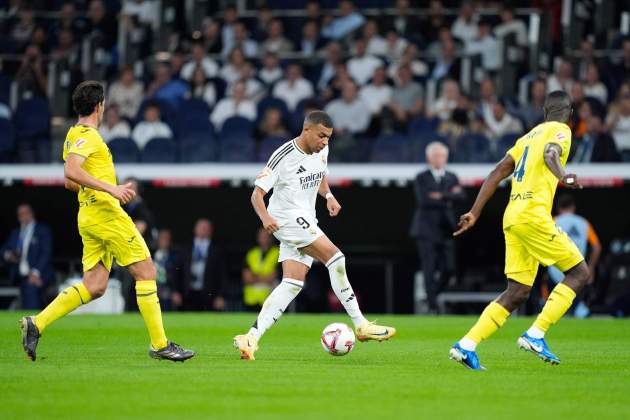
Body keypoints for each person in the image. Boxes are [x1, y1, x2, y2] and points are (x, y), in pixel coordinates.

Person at [20, 81, 193, 362]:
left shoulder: (73, 134)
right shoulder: (89, 135)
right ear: (100, 106)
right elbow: (71, 170)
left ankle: (37, 323)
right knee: (147, 271)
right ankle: (160, 344)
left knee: (95, 285)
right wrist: (111, 188)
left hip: (87, 216)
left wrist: (95, 187)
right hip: (105, 214)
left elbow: (69, 182)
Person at [233, 111, 396, 361]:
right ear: (306, 130)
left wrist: (328, 196)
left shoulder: (322, 150)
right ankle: (360, 324)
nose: (325, 142)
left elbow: (319, 174)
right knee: (335, 257)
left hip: (307, 217)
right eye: (321, 136)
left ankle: (251, 337)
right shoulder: (282, 156)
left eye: (329, 137)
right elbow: (256, 195)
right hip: (286, 218)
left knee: (292, 283)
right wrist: (265, 218)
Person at [449, 91, 590, 370]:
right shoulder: (561, 130)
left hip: (512, 216)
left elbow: (498, 172)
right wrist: (564, 176)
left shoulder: (526, 137)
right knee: (579, 273)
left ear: (543, 110)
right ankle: (536, 334)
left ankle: (466, 345)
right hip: (534, 216)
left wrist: (475, 211)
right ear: (570, 113)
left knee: (517, 292)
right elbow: (552, 153)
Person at [409, 143, 464, 313]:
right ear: (429, 158)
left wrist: (440, 195)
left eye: (442, 156)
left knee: (449, 269)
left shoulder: (452, 176)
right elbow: (424, 201)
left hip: (446, 229)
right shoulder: (421, 177)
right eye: (436, 155)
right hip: (426, 229)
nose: (439, 159)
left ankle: (431, 295)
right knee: (429, 268)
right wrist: (448, 196)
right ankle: (432, 306)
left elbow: (461, 196)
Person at [547, 195, 601, 318]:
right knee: (575, 305)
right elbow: (597, 246)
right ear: (573, 207)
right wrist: (591, 268)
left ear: (558, 208)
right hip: (578, 270)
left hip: (556, 270)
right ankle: (580, 311)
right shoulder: (583, 223)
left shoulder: (553, 221)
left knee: (555, 306)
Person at [1, 204, 53, 309]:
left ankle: (32, 321)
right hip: (18, 275)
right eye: (20, 214)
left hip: (38, 274)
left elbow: (46, 253)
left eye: (25, 213)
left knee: (31, 288)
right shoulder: (16, 232)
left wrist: (35, 273)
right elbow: (4, 250)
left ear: (31, 214)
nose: (23, 216)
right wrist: (9, 255)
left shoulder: (42, 230)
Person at [177, 218, 227, 311]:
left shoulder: (217, 250)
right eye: (201, 227)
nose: (203, 230)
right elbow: (177, 271)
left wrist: (221, 295)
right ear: (195, 229)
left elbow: (222, 274)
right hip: (187, 293)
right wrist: (175, 291)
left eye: (206, 228)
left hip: (209, 294)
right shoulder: (185, 248)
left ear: (211, 230)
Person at [242, 228, 280, 310]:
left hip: (269, 299)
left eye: (266, 236)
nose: (263, 239)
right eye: (261, 236)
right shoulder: (251, 253)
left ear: (271, 238)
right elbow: (247, 278)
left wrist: (255, 276)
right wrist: (264, 277)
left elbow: (273, 277)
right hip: (251, 299)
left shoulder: (278, 253)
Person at [153, 229, 181, 311]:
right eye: (163, 238)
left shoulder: (175, 257)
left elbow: (178, 276)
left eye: (167, 238)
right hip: (152, 290)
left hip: (168, 293)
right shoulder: (149, 254)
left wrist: (175, 291)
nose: (165, 241)